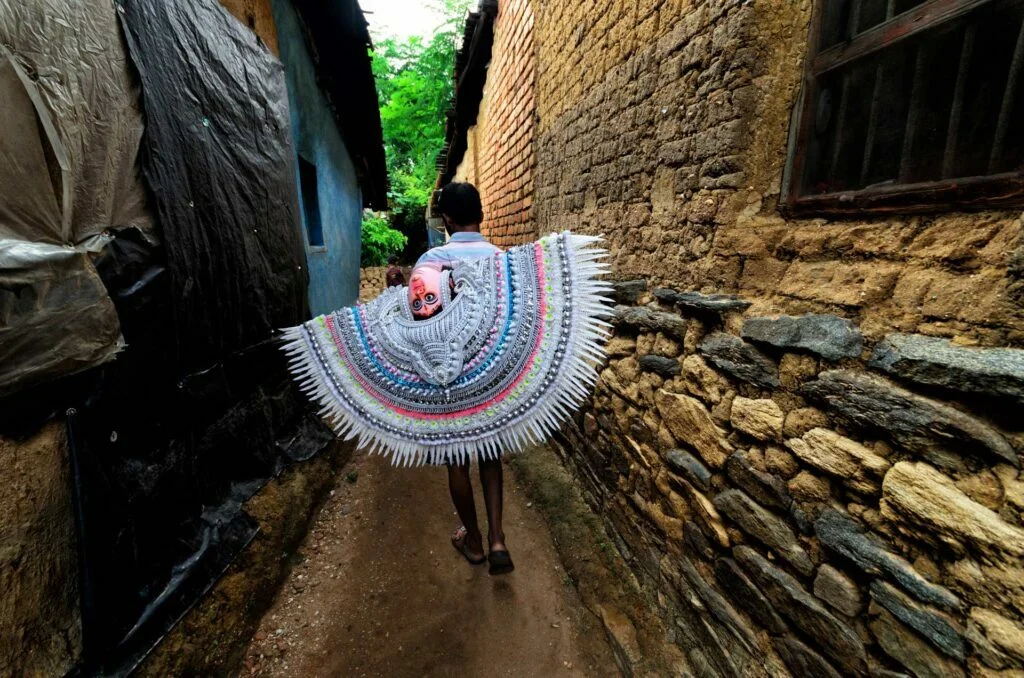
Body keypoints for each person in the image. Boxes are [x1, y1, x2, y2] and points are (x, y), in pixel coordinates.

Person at [412, 181, 512, 575]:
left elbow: (423, 321)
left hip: (449, 378)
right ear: (482, 214)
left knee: (456, 460)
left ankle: (472, 540)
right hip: (490, 376)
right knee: (491, 455)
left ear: (447, 220)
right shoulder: (504, 260)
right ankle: (498, 540)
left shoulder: (430, 261)